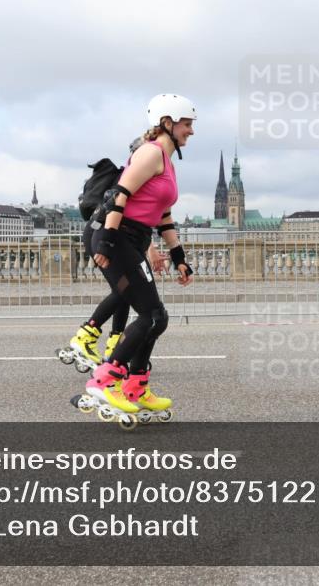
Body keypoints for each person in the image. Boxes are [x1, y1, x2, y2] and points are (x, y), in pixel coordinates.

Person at [85, 94, 196, 416]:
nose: (191, 131)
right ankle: (104, 382)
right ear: (167, 123)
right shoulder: (150, 153)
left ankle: (135, 386)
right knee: (151, 316)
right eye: (187, 124)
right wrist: (105, 242)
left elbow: (163, 216)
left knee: (155, 318)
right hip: (116, 235)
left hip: (132, 238)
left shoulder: (167, 160)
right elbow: (119, 196)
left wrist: (179, 258)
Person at [68, 138, 168, 368]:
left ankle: (111, 342)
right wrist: (148, 250)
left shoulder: (142, 177)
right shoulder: (136, 177)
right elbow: (124, 218)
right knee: (124, 289)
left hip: (103, 234)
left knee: (123, 290)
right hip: (106, 236)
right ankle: (87, 336)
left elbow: (138, 223)